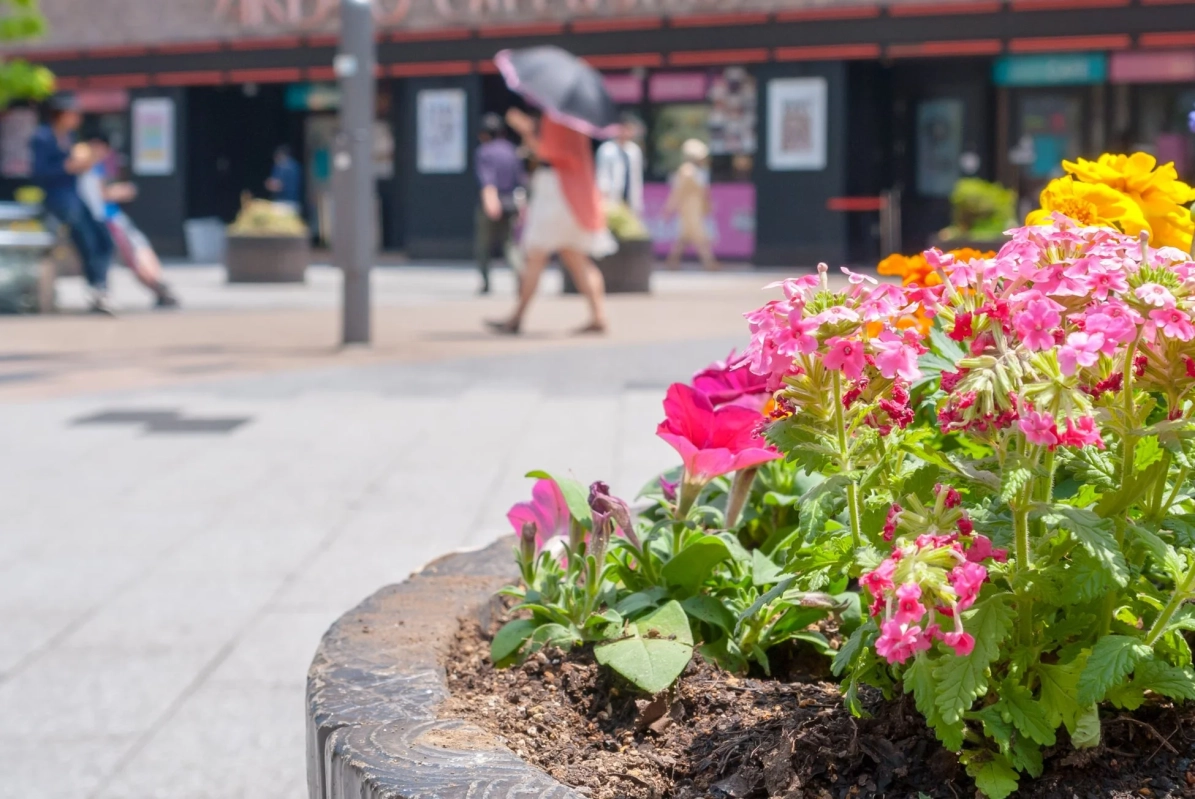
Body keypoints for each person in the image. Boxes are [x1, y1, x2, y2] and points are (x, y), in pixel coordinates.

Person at [487, 109, 611, 335]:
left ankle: (516, 318)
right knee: (578, 258)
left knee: (535, 256)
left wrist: (526, 131)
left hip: (557, 192)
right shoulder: (579, 119)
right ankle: (598, 316)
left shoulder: (557, 116)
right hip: (576, 194)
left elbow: (548, 152)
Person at [29, 94, 116, 314]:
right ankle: (96, 289)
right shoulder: (43, 137)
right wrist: (68, 167)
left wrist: (88, 161)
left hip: (77, 197)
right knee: (86, 239)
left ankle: (100, 287)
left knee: (104, 239)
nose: (77, 118)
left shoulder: (70, 137)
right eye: (73, 113)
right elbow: (39, 173)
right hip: (59, 200)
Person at [77, 132, 179, 309]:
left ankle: (157, 284)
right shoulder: (88, 167)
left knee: (138, 249)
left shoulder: (98, 167)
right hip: (107, 220)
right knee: (131, 253)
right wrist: (120, 191)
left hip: (113, 218)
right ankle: (157, 286)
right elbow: (100, 195)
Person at [473, 113, 524, 294]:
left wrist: (490, 201)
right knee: (509, 244)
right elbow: (520, 180)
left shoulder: (484, 151)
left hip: (492, 201)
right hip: (511, 201)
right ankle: (521, 276)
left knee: (483, 246)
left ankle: (486, 283)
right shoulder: (511, 150)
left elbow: (487, 180)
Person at [665, 138, 719, 272]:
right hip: (689, 209)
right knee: (699, 236)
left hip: (695, 208)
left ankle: (672, 261)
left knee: (683, 238)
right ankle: (709, 262)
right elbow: (678, 192)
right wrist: (669, 208)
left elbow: (703, 193)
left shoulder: (698, 171)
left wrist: (706, 205)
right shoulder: (687, 171)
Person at [595, 113, 645, 214]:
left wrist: (638, 202)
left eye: (630, 129)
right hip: (611, 199)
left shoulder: (634, 150)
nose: (627, 132)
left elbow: (637, 178)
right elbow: (602, 176)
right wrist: (604, 199)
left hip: (629, 199)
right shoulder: (607, 149)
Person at [265, 144, 301, 211]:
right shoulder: (296, 166)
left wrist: (269, 184)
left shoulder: (283, 166)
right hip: (295, 203)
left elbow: (278, 186)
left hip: (283, 205)